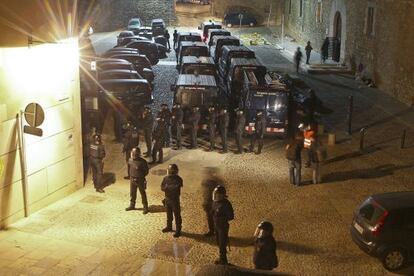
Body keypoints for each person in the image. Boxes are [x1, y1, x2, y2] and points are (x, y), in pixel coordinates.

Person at [212, 185, 234, 265]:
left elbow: (231, 216)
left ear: (221, 195)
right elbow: (213, 211)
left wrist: (222, 218)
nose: (215, 195)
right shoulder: (215, 202)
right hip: (216, 225)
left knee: (222, 244)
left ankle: (223, 260)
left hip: (223, 227)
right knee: (218, 242)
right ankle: (221, 257)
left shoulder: (226, 204)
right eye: (215, 193)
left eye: (217, 194)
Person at [161, 164, 183, 238]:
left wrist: (167, 187)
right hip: (167, 199)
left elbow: (176, 188)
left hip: (175, 200)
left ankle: (178, 230)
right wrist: (166, 188)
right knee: (169, 214)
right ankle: (169, 226)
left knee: (177, 215)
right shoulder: (165, 178)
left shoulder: (178, 179)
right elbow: (162, 187)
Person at [125, 147, 149, 214]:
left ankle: (145, 207)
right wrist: (131, 176)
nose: (133, 155)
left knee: (142, 193)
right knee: (132, 193)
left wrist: (140, 176)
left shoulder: (143, 162)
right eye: (132, 153)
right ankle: (132, 205)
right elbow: (129, 168)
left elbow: (146, 171)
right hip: (132, 179)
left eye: (135, 153)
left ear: (138, 154)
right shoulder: (130, 160)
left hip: (140, 180)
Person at [201, 167, 224, 237]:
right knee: (209, 218)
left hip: (215, 203)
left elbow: (222, 193)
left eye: (208, 173)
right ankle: (211, 231)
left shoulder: (218, 182)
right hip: (208, 202)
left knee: (217, 218)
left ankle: (218, 232)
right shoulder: (205, 181)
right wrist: (204, 201)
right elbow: (205, 192)